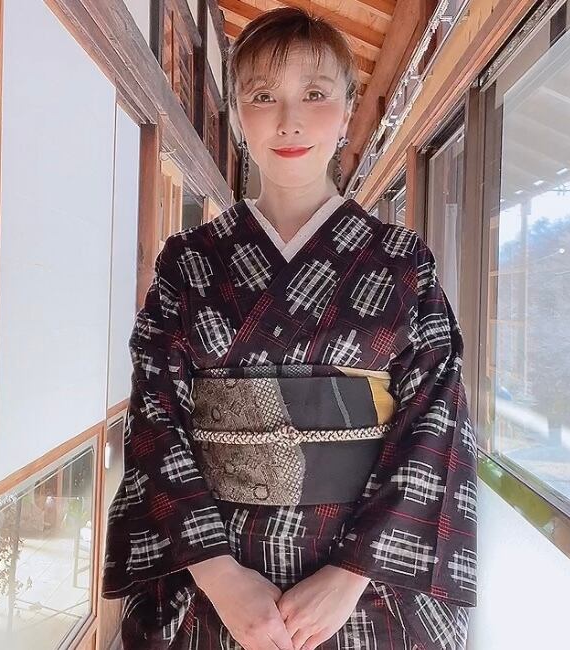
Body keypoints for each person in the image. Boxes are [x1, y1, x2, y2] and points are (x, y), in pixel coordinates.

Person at [102, 8, 477, 650]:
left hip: (365, 592)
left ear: (349, 109)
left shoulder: (401, 261)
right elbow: (155, 419)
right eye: (262, 97)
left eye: (315, 94)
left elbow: (435, 423)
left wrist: (351, 574)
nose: (289, 120)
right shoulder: (189, 261)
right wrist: (221, 577)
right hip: (213, 583)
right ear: (239, 118)